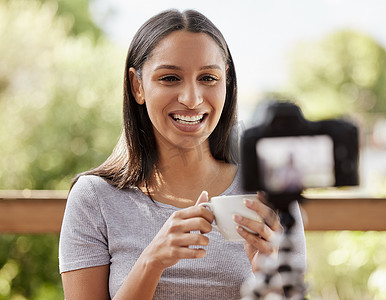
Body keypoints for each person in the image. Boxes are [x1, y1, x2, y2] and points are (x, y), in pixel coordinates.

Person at [59, 9, 306, 300]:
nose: (191, 98)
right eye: (170, 78)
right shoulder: (94, 200)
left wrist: (271, 279)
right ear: (138, 86)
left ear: (226, 81)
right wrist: (152, 261)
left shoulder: (269, 192)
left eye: (208, 78)